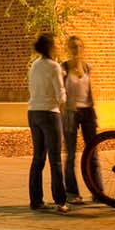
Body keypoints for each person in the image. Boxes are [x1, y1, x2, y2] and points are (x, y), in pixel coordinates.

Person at [25, 32, 69, 213]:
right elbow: (61, 95)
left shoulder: (34, 65)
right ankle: (60, 200)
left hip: (33, 111)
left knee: (38, 157)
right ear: (51, 47)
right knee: (55, 158)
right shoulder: (54, 67)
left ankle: (36, 199)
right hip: (50, 113)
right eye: (56, 44)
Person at [59, 35, 97, 205]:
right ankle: (72, 192)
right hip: (70, 113)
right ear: (68, 48)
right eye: (74, 47)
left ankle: (97, 191)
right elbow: (59, 92)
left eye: (80, 46)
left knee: (93, 153)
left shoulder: (87, 67)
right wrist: (65, 110)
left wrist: (94, 111)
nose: (77, 50)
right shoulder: (64, 68)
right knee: (71, 154)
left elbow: (90, 91)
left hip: (87, 111)